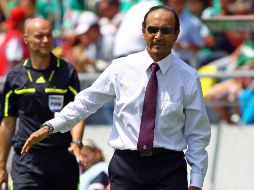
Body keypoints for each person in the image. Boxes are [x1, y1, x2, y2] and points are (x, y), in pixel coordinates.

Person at [21, 5, 211, 190]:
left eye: (166, 30)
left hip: (169, 168)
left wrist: (195, 183)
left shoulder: (188, 77)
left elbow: (197, 135)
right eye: (153, 29)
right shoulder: (121, 68)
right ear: (143, 32)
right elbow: (86, 102)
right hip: (126, 167)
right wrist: (50, 126)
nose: (158, 36)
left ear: (177, 34)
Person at [0, 17, 85, 190]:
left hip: (62, 157)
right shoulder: (15, 76)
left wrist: (76, 143)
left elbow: (79, 113)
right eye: (39, 36)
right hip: (27, 160)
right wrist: (1, 166)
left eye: (49, 35)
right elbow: (8, 124)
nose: (46, 40)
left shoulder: (67, 71)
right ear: (26, 39)